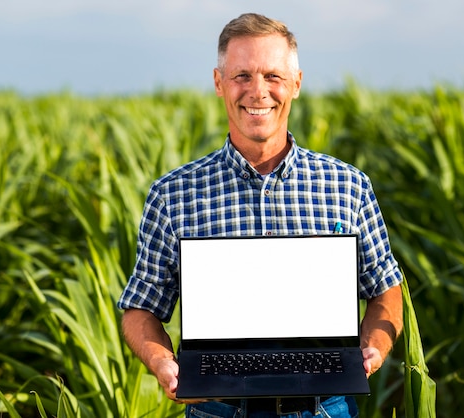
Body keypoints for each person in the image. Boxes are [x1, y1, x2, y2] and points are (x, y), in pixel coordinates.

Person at [118, 12, 403, 418]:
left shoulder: (348, 186)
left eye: (272, 75)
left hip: (325, 407)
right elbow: (140, 308)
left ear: (296, 84)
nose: (258, 91)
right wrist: (164, 363)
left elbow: (386, 290)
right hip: (217, 409)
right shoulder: (173, 195)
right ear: (219, 83)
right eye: (242, 76)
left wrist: (371, 348)